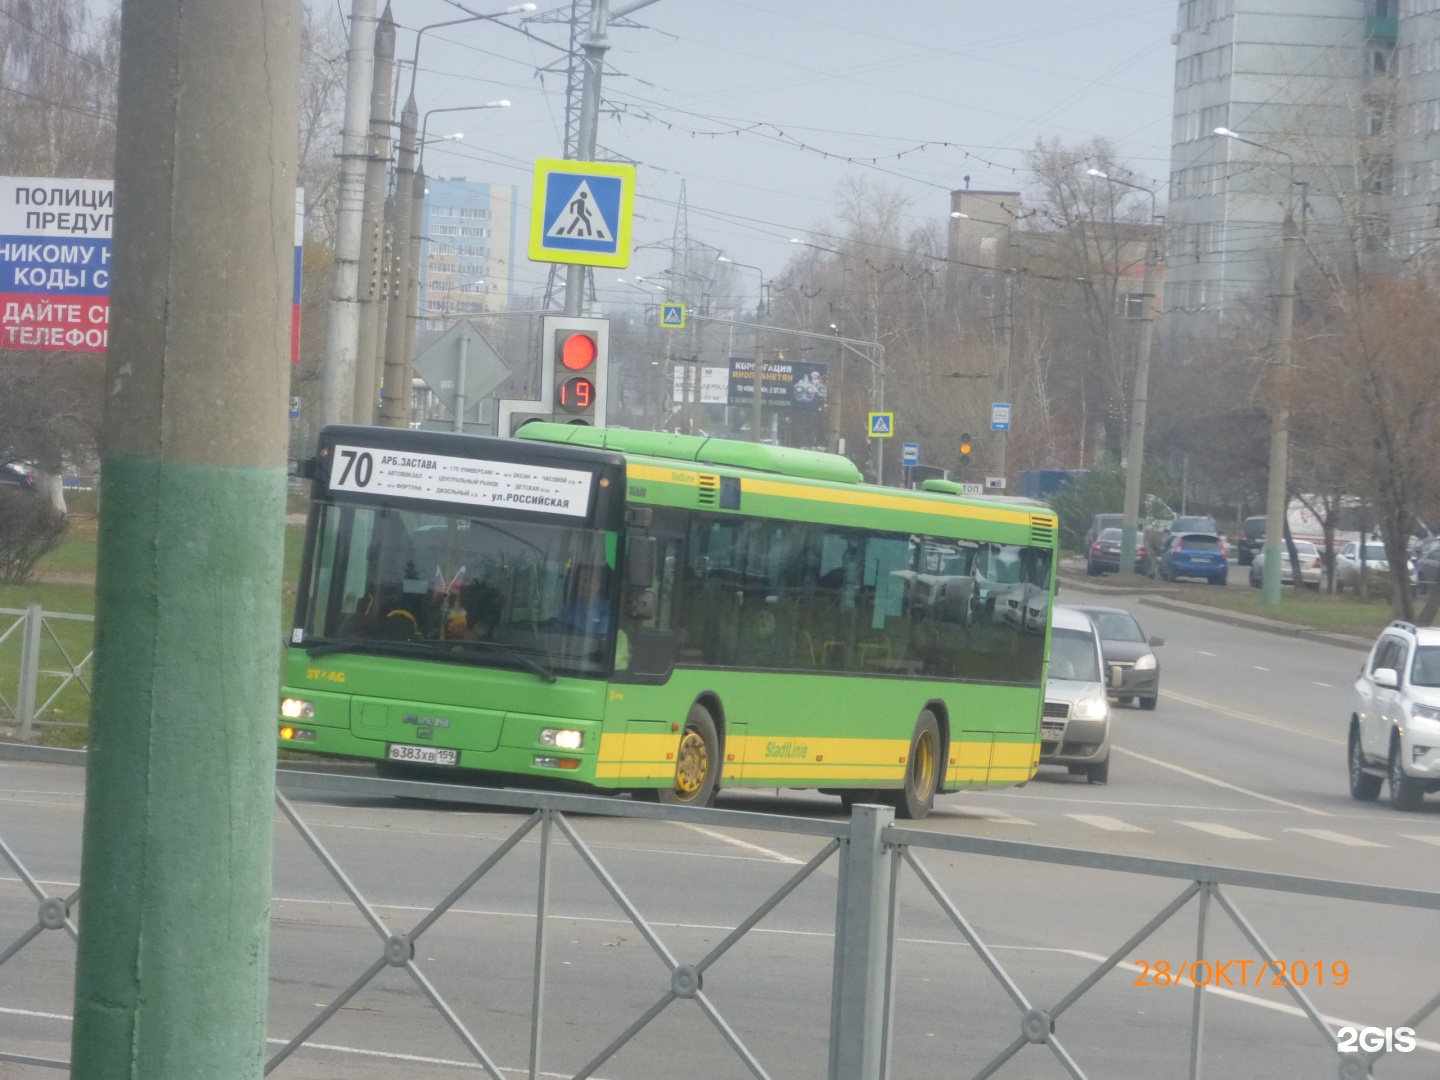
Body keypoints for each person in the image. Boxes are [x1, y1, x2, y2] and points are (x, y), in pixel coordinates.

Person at [558, 561, 613, 634]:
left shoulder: (609, 610)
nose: (581, 585)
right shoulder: (569, 609)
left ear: (598, 585)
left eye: (586, 580)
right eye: (579, 580)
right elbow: (559, 631)